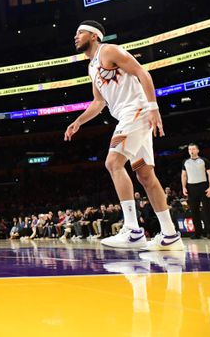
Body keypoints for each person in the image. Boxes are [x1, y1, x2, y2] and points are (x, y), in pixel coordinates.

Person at [65, 20, 184, 251]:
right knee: (145, 176)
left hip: (137, 111)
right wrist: (78, 121)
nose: (76, 37)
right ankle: (170, 234)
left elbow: (142, 72)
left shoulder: (108, 50)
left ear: (94, 35)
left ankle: (132, 230)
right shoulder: (91, 66)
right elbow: (99, 102)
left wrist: (153, 107)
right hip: (130, 117)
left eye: (80, 33)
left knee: (113, 162)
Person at [181, 143, 210, 239]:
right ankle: (198, 233)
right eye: (189, 149)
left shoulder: (204, 160)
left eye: (193, 149)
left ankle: (209, 232)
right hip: (191, 187)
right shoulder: (185, 162)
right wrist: (184, 187)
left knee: (207, 210)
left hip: (203, 186)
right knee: (194, 211)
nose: (191, 151)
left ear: (197, 150)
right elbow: (183, 175)